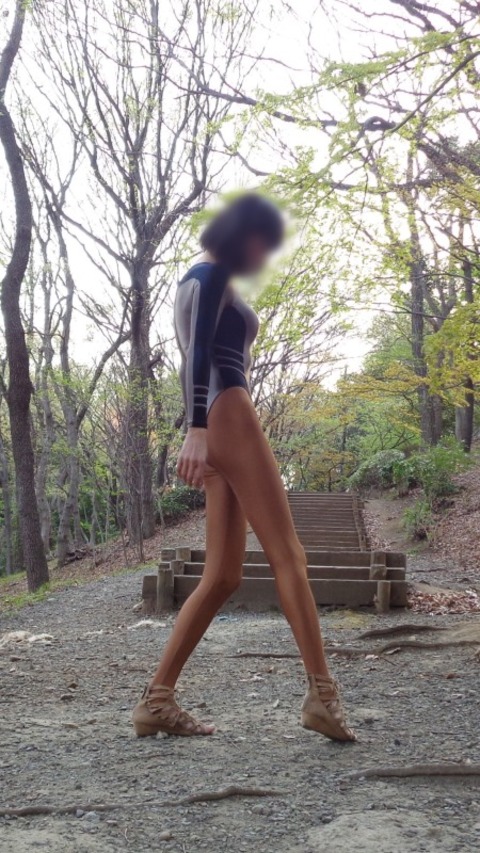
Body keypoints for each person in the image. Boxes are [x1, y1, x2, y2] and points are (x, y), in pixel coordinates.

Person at [132, 194, 355, 742]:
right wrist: (196, 428)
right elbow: (197, 351)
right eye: (263, 244)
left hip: (216, 419)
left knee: (223, 575)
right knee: (289, 555)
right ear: (243, 234)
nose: (263, 256)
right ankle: (322, 696)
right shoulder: (209, 276)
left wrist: (201, 427)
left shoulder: (199, 278)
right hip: (226, 411)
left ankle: (156, 701)